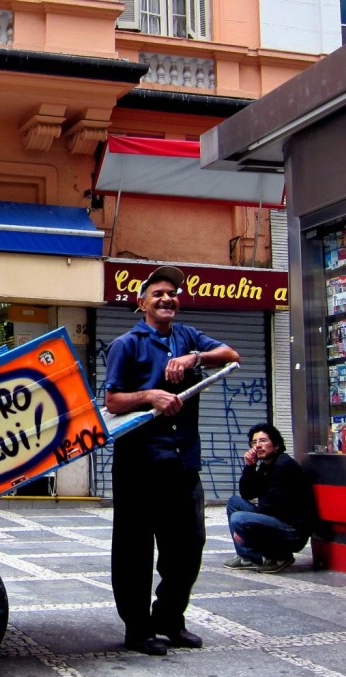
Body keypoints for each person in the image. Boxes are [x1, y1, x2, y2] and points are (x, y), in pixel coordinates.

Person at [105, 266, 241, 656]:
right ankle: (137, 630)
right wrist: (150, 396)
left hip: (183, 462)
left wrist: (193, 357)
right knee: (134, 552)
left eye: (172, 293)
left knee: (188, 544)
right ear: (142, 302)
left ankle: (169, 617)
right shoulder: (126, 345)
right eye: (158, 293)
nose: (167, 298)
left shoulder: (187, 336)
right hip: (139, 465)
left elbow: (231, 355)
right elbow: (112, 401)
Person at [223, 423, 317, 574]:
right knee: (234, 503)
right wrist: (249, 467)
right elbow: (247, 494)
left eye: (263, 441)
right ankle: (249, 557)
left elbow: (271, 507)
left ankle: (280, 556)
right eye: (254, 442)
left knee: (239, 519)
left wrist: (245, 531)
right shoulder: (266, 466)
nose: (258, 446)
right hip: (275, 519)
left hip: (292, 531)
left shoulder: (284, 464)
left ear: (276, 445)